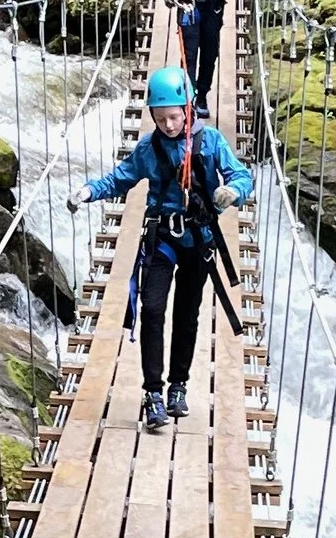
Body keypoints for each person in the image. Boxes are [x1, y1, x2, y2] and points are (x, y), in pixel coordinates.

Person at [76, 67, 255, 429]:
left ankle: (178, 387)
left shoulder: (210, 142)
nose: (169, 125)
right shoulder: (149, 147)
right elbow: (120, 178)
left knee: (187, 316)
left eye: (174, 117)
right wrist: (89, 191)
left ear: (188, 110)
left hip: (199, 241)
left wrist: (232, 192)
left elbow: (241, 175)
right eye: (161, 119)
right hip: (162, 240)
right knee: (152, 308)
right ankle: (153, 392)